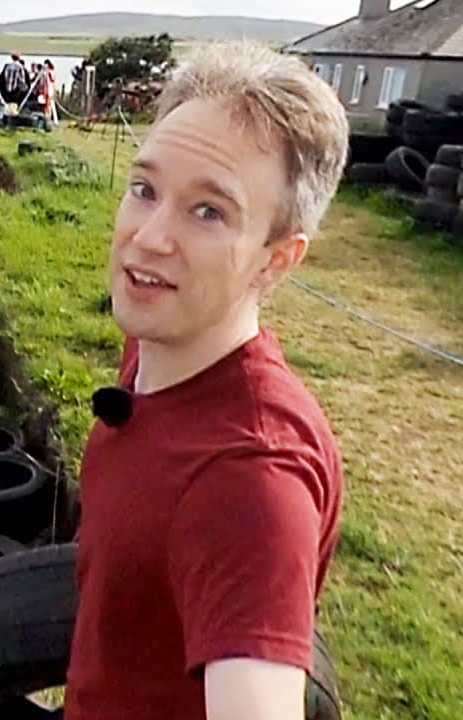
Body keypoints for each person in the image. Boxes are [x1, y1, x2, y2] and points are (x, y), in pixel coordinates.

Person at [62, 39, 348, 720]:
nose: (148, 237)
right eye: (145, 189)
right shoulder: (161, 342)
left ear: (276, 261)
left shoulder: (249, 481)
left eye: (208, 211)